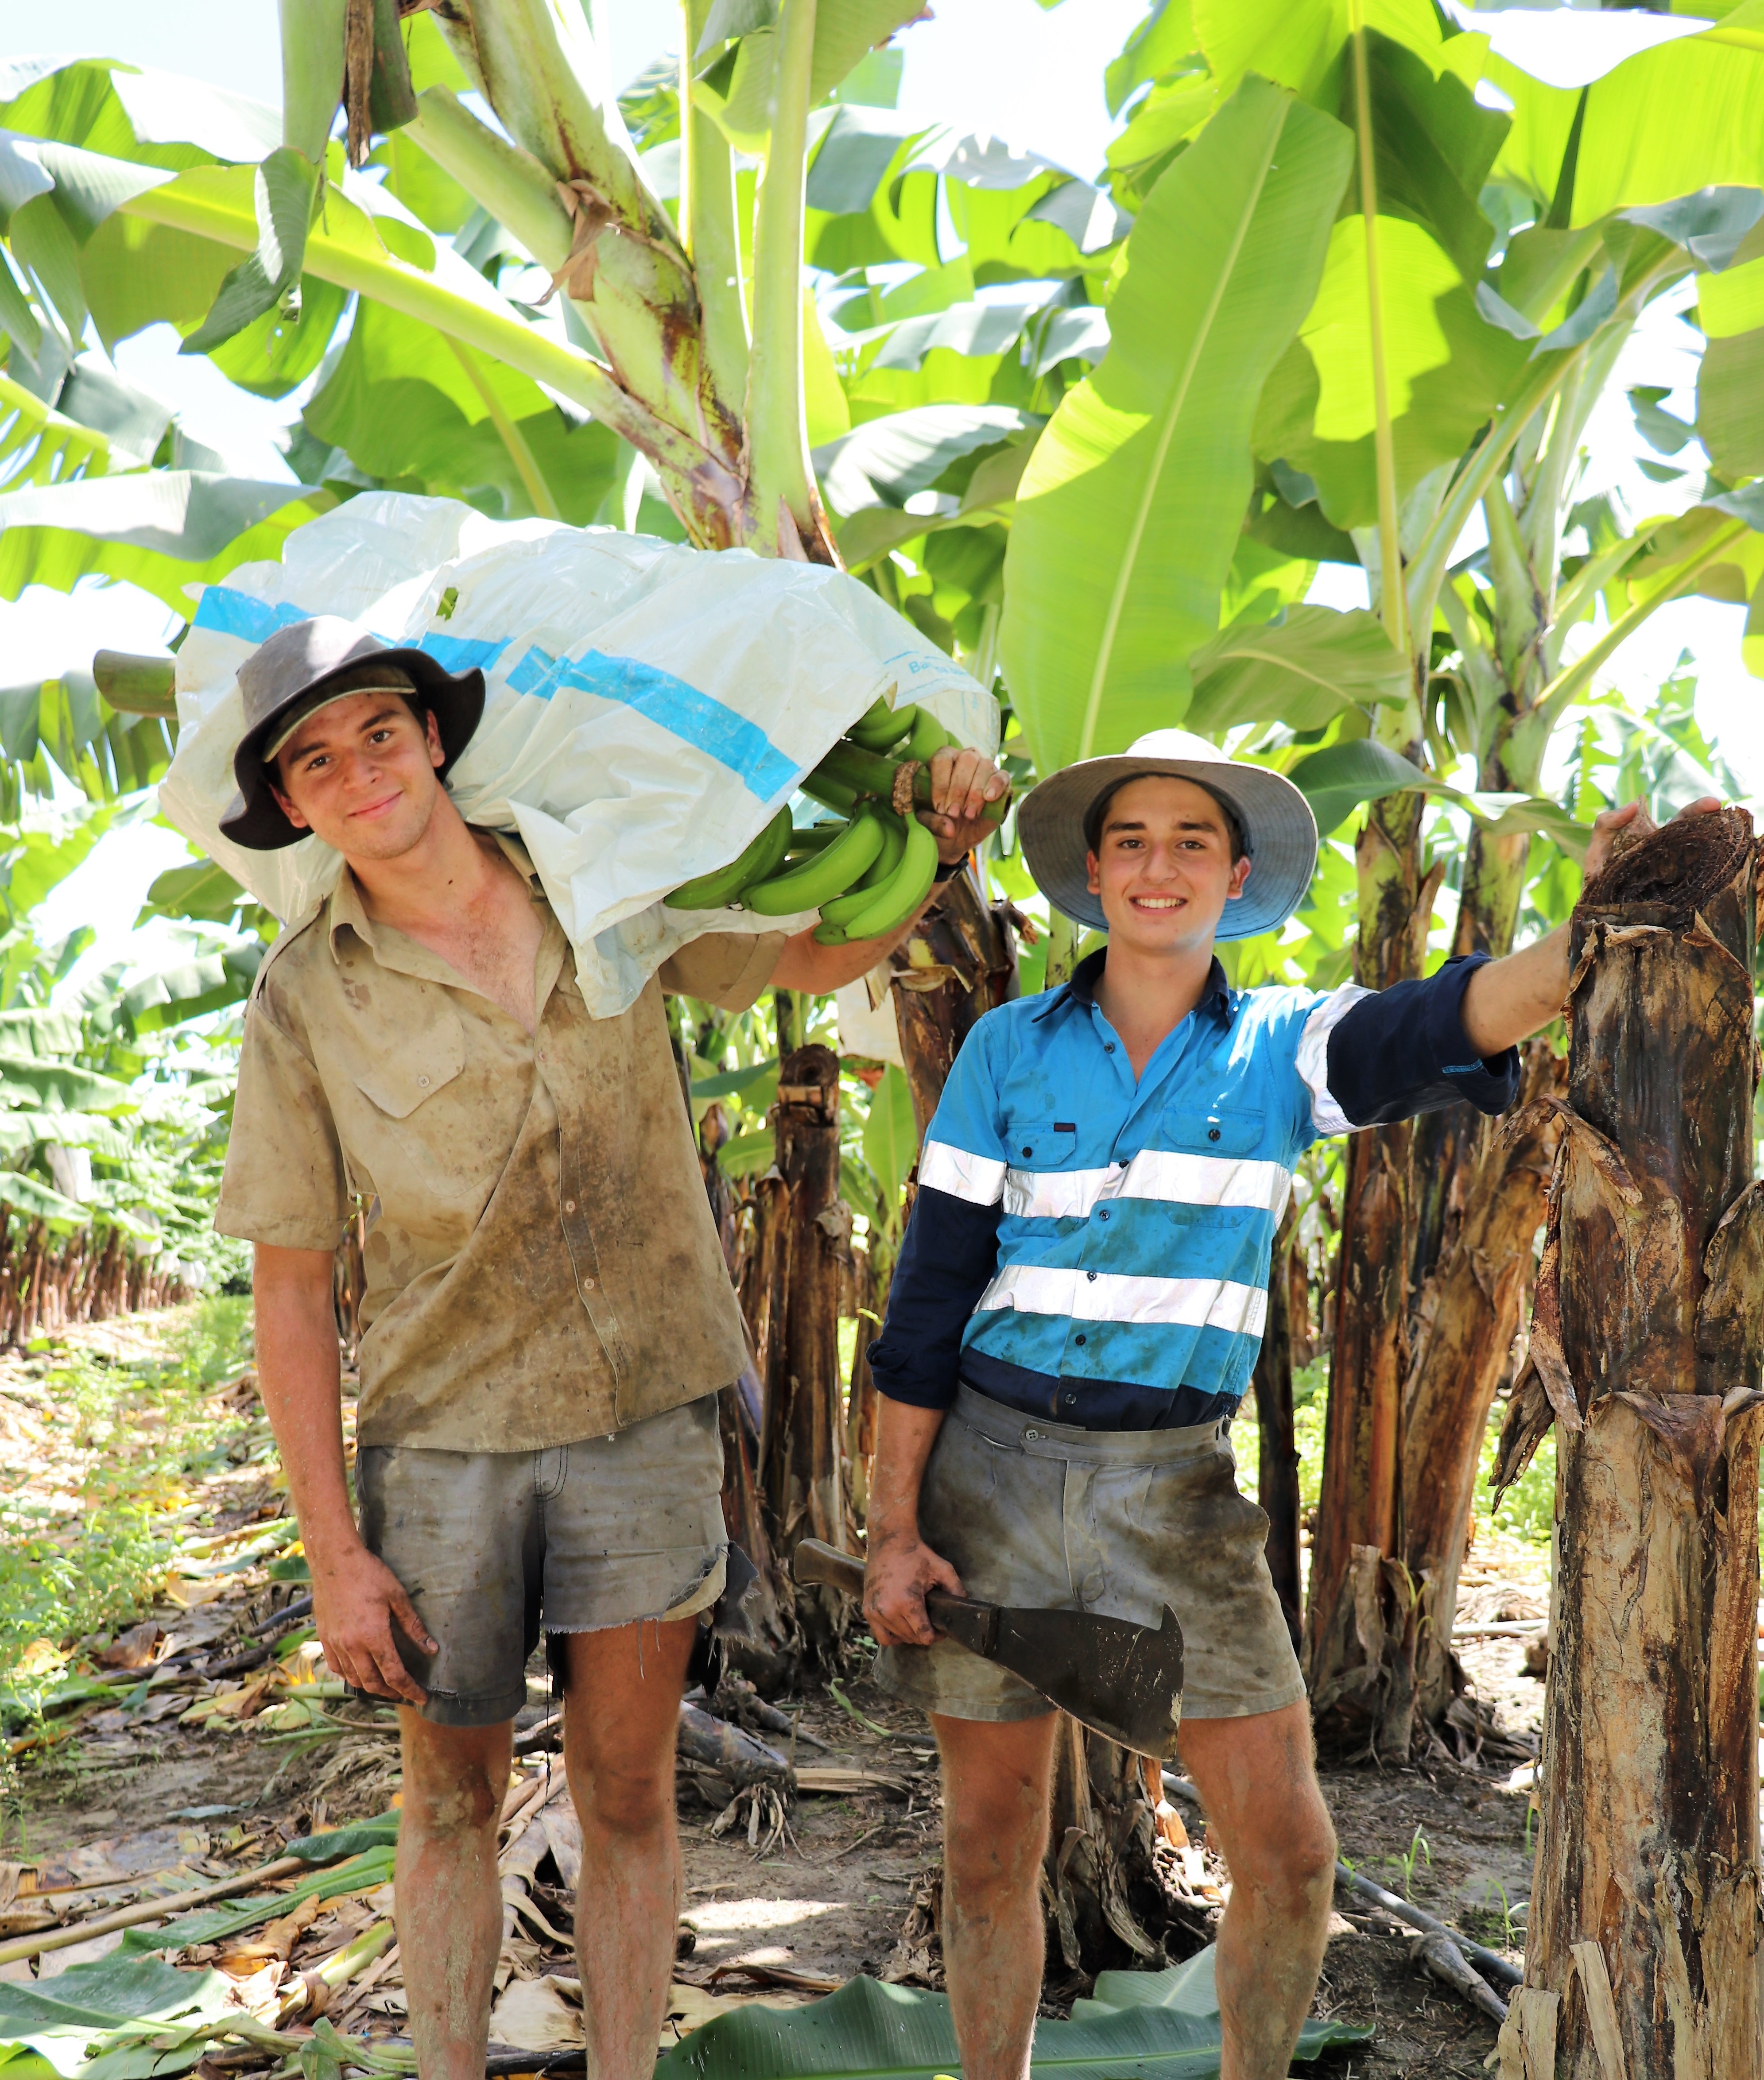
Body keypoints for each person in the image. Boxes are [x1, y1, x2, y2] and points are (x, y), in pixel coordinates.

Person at [212, 614, 1008, 2080]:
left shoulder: (598, 879)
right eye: (314, 760)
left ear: (432, 738)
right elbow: (291, 1282)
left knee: (631, 1784)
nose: (358, 771)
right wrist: (332, 1549)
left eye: (378, 732)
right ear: (295, 804)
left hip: (645, 1404)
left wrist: (937, 849)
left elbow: (804, 948)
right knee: (450, 1793)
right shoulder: (304, 994)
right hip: (443, 1435)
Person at [861, 727, 1716, 2080]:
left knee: (1292, 1854)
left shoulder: (1278, 1047)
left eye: (1191, 841)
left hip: (1178, 1496)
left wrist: (1583, 936)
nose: (1159, 866)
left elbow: (1447, 1018)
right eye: (1131, 840)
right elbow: (922, 1310)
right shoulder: (1005, 1054)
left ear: (1236, 873)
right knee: (988, 1843)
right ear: (1092, 869)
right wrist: (892, 1526)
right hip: (996, 1474)